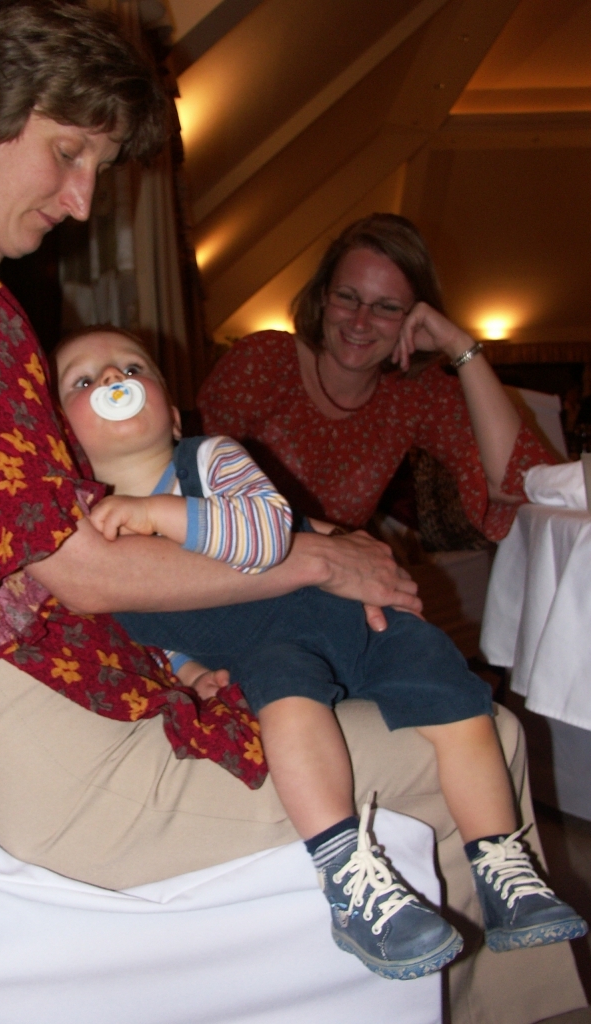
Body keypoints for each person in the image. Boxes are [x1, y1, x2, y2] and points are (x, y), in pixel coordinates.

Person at [0, 2, 585, 1019]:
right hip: (56, 754)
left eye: (95, 168)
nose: (80, 202)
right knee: (476, 733)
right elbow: (80, 568)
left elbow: (94, 529)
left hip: (58, 708)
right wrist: (318, 562)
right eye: (67, 153)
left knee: (407, 706)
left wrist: (266, 584)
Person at [54, 325, 585, 979]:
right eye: (85, 380)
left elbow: (267, 531)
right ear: (61, 436)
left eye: (132, 368)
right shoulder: (84, 535)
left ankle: (503, 866)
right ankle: (351, 878)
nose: (113, 381)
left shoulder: (211, 458)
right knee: (288, 711)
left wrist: (159, 513)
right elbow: (143, 630)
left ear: (173, 412)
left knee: (457, 702)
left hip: (346, 616)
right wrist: (189, 671)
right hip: (266, 649)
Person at [197, 214, 557, 539]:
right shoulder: (263, 361)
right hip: (238, 570)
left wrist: (458, 344)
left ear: (414, 316)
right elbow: (194, 491)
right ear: (323, 297)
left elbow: (517, 480)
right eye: (347, 297)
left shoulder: (413, 392)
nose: (360, 322)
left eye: (386, 307)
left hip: (336, 576)